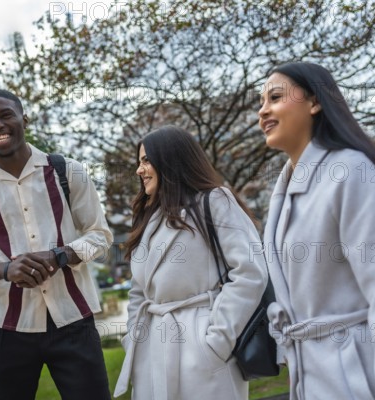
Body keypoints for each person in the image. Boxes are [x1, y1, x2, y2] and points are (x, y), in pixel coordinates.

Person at [259, 62, 375, 399]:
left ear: (315, 102)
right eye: (261, 103)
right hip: (315, 381)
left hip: (367, 379)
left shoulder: (353, 173)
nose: (263, 111)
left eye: (275, 97)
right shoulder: (284, 192)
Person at [0, 89, 113, 400]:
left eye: (5, 115)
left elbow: (100, 234)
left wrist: (61, 255)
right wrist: (5, 269)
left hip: (74, 320)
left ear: (24, 119)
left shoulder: (67, 171)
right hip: (7, 327)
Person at [113, 126, 268, 399]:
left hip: (202, 346)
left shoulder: (215, 201)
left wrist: (217, 341)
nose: (140, 170)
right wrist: (132, 338)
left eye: (146, 160)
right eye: (139, 162)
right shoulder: (148, 217)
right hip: (151, 347)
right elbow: (139, 290)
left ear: (171, 159)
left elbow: (250, 272)